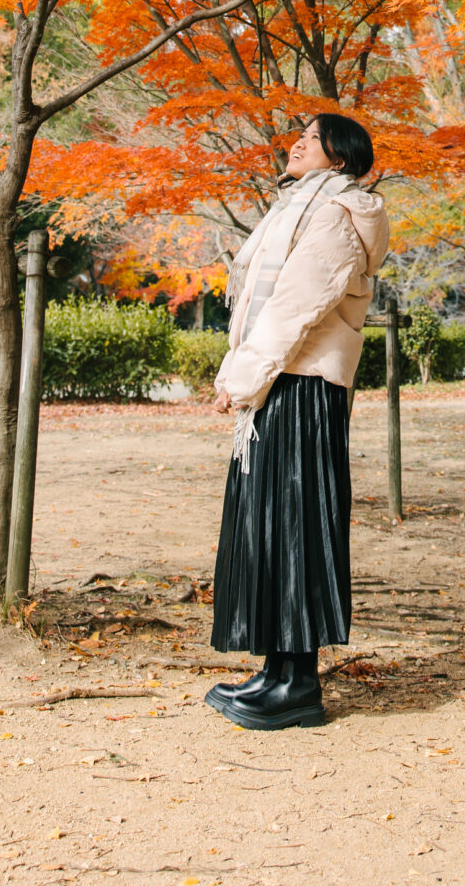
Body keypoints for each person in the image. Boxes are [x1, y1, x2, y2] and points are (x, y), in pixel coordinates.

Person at [203, 112, 389, 732]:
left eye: (309, 139)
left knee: (296, 525)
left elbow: (296, 305)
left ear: (338, 157)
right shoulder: (298, 209)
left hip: (303, 388)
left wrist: (241, 376)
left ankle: (299, 684)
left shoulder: (337, 215)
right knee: (270, 522)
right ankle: (275, 670)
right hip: (280, 385)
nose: (295, 144)